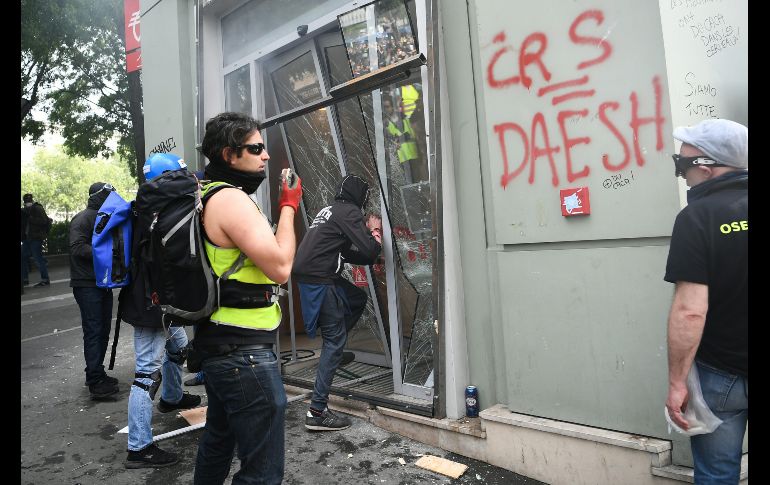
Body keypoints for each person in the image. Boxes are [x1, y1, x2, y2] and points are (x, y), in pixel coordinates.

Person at [193, 111, 302, 484]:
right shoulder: (230, 200)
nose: (266, 155)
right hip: (244, 353)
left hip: (222, 344)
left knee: (219, 439)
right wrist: (289, 206)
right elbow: (281, 266)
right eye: (256, 148)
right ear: (229, 154)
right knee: (262, 469)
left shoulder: (206, 192)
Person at [664, 118, 748, 483]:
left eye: (682, 165)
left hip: (721, 376)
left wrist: (676, 382)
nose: (682, 175)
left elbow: (690, 310)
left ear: (706, 167)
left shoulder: (696, 218)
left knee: (717, 475)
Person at [122, 154, 202, 469]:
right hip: (150, 305)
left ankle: (172, 396)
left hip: (156, 302)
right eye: (178, 174)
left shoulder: (147, 207)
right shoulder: (155, 210)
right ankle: (138, 448)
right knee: (145, 374)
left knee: (178, 347)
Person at [291, 174, 382, 431]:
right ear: (360, 197)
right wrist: (374, 230)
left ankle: (336, 350)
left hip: (311, 273)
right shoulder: (349, 211)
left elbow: (348, 252)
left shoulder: (328, 210)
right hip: (320, 278)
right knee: (333, 339)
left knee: (357, 297)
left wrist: (369, 251)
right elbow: (369, 250)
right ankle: (317, 411)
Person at [69, 183, 120, 400]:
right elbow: (77, 247)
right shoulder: (83, 218)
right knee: (94, 330)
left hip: (100, 282)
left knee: (102, 329)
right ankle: (95, 380)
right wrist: (106, 253)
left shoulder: (101, 216)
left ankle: (97, 372)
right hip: (86, 284)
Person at [22, 193, 51, 286]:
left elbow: (44, 221)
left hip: (36, 238)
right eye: (26, 201)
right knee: (23, 257)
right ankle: (24, 279)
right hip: (27, 238)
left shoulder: (38, 208)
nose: (28, 202)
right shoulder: (25, 210)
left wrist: (30, 219)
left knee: (38, 258)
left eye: (29, 201)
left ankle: (45, 279)